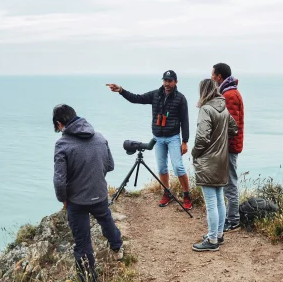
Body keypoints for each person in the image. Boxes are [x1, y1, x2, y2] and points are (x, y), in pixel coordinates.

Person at [52, 104, 123, 282]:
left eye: (58, 126)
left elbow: (59, 180)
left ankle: (88, 278)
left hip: (77, 201)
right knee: (106, 220)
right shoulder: (99, 137)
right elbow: (110, 165)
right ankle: (117, 247)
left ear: (60, 124)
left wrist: (63, 199)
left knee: (83, 243)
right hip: (99, 194)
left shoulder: (62, 144)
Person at [106, 70, 193, 210]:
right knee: (162, 167)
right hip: (158, 137)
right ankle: (167, 193)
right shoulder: (155, 94)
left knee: (178, 166)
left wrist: (185, 141)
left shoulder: (180, 98)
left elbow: (185, 121)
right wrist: (121, 90)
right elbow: (136, 98)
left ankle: (187, 195)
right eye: (165, 80)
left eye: (170, 81)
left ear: (176, 82)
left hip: (173, 138)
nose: (167, 83)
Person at [191, 79, 238, 251]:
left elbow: (202, 138)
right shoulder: (223, 108)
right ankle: (218, 235)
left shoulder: (206, 109)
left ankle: (211, 241)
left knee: (211, 202)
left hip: (208, 160)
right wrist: (221, 141)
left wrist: (195, 153)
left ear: (203, 91)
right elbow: (234, 129)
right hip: (222, 159)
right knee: (219, 199)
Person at [211, 63, 245, 232]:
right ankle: (230, 218)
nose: (211, 78)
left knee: (230, 183)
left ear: (219, 77)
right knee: (228, 182)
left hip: (229, 147)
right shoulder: (228, 92)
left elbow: (231, 126)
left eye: (213, 75)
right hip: (229, 145)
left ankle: (233, 220)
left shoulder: (229, 95)